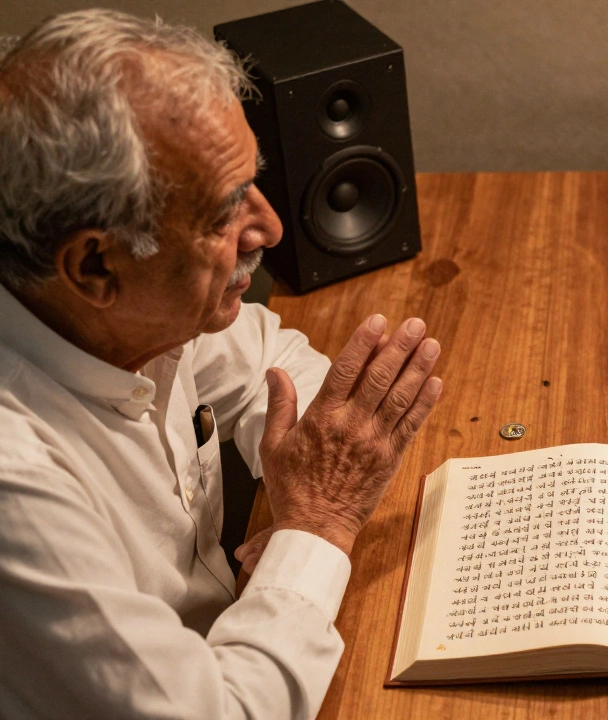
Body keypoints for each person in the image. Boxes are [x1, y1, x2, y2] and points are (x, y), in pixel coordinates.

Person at [0, 10, 444, 719]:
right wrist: (318, 528)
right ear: (94, 264)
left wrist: (302, 473)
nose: (268, 227)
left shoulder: (125, 308)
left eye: (254, 183)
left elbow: (274, 355)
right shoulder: (16, 492)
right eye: (224, 212)